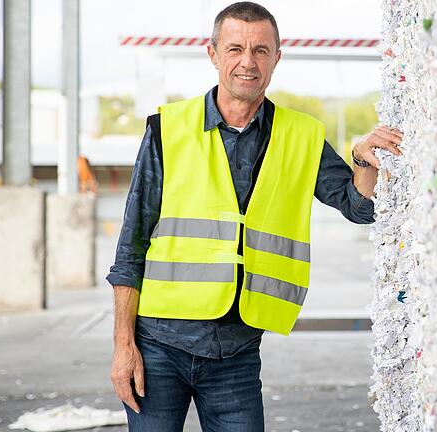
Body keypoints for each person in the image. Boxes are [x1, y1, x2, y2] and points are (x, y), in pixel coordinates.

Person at [106, 2, 403, 431]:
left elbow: (360, 208)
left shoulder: (301, 136)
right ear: (213, 55)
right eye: (235, 49)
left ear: (276, 59)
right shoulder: (167, 130)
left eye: (261, 50)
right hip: (158, 346)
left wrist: (363, 158)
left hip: (237, 351)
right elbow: (130, 247)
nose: (248, 61)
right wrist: (123, 348)